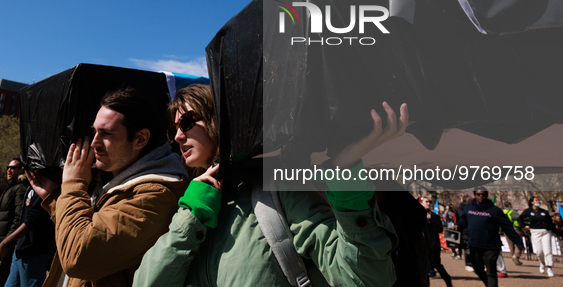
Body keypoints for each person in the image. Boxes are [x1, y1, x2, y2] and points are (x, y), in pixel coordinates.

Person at [134, 84, 407, 286]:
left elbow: (363, 278)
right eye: (173, 130)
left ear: (220, 121)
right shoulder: (190, 204)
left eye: (188, 121)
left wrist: (345, 172)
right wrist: (191, 217)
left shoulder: (274, 189)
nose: (179, 136)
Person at [27, 87, 188, 287]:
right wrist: (53, 198)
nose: (94, 142)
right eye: (94, 131)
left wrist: (73, 185)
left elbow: (79, 257)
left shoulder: (156, 195)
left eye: (106, 133)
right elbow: (89, 227)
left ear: (140, 139)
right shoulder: (112, 180)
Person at [455, 186, 524, 287]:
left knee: (491, 271)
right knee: (477, 269)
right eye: (478, 194)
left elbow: (507, 228)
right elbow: (464, 219)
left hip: (491, 246)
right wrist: (458, 224)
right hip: (474, 245)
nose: (481, 196)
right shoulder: (468, 207)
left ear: (487, 195)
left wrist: (518, 242)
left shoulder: (495, 210)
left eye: (483, 194)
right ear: (475, 195)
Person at [0, 185, 56, 287]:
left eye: (13, 168)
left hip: (34, 252)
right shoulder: (30, 186)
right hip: (20, 251)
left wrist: (5, 242)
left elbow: (34, 218)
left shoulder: (47, 185)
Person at [0, 159, 29, 287]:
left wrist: (6, 243)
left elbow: (19, 218)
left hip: (7, 247)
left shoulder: (20, 189)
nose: (8, 170)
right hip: (0, 244)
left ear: (21, 170)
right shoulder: (11, 188)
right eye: (7, 167)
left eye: (13, 167)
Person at [418, 196, 452, 287]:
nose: (428, 203)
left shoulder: (434, 216)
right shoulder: (417, 216)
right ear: (420, 203)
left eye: (429, 202)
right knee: (424, 268)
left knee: (437, 264)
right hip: (422, 245)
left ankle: (448, 280)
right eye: (426, 202)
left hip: (433, 245)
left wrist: (431, 220)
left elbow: (440, 229)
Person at [518, 196, 556, 277]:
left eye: (538, 200)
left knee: (547, 250)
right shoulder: (528, 211)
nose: (538, 201)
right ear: (532, 202)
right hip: (535, 232)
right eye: (536, 200)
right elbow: (520, 219)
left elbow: (550, 223)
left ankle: (549, 268)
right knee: (539, 251)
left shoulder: (544, 212)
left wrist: (558, 233)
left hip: (546, 232)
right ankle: (542, 263)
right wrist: (523, 227)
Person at [502, 201, 524, 266]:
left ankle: (513, 257)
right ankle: (516, 256)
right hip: (515, 229)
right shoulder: (513, 212)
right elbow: (520, 218)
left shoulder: (501, 212)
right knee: (518, 243)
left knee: (511, 246)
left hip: (506, 230)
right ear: (509, 205)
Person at [456, 194, 473, 271]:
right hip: (465, 231)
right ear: (467, 201)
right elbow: (462, 218)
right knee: (467, 247)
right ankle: (468, 263)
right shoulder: (461, 208)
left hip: (471, 230)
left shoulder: (471, 207)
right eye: (471, 200)